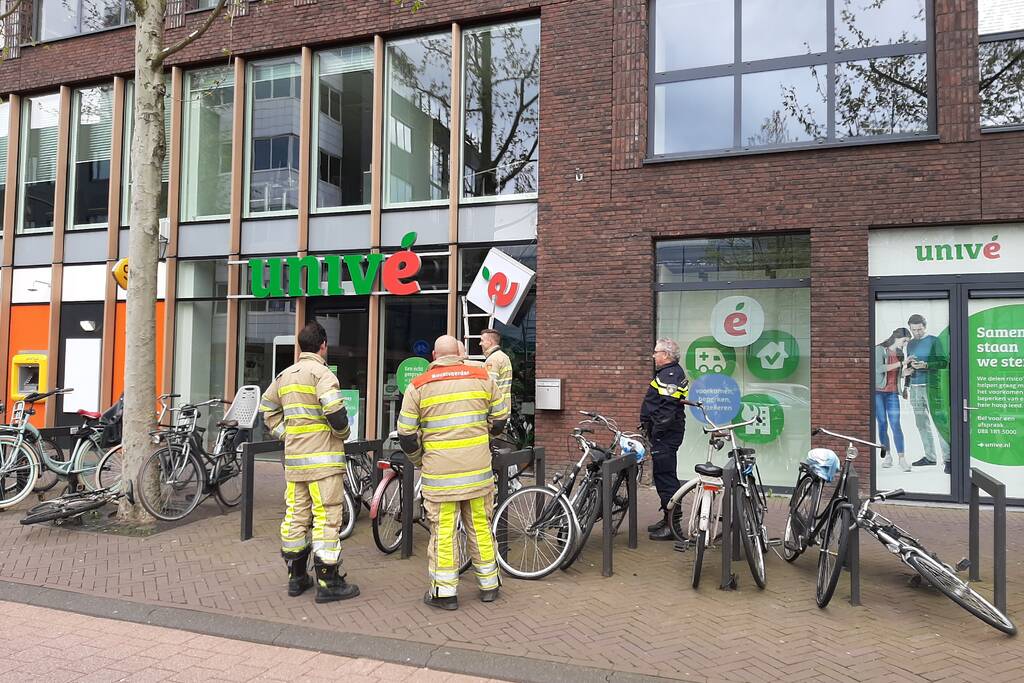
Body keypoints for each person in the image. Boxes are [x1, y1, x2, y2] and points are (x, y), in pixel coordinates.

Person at [397, 335, 508, 610]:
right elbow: (501, 418)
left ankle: (445, 593)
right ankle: (489, 585)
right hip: (478, 474)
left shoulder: (419, 385)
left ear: (434, 355)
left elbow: (407, 434)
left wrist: (419, 459)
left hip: (441, 478)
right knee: (480, 527)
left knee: (444, 532)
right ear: (460, 353)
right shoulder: (482, 377)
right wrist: (486, 438)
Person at [260, 321, 360, 603]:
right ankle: (328, 583)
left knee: (296, 515)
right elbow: (336, 414)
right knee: (327, 517)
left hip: (295, 463)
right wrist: (342, 434)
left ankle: (296, 577)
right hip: (323, 464)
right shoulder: (322, 374)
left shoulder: (284, 376)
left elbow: (267, 410)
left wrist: (286, 435)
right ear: (323, 345)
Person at [640, 338, 688, 541]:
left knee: (666, 478)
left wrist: (656, 433)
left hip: (665, 436)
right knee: (663, 476)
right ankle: (667, 517)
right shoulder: (668, 374)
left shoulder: (670, 375)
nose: (654, 355)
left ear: (666, 355)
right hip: (665, 435)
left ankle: (673, 525)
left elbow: (667, 411)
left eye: (656, 352)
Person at [905, 314, 951, 474]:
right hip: (915, 388)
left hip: (931, 387)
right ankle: (930, 457)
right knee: (921, 424)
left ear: (925, 327)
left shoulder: (934, 341)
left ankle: (949, 459)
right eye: (913, 330)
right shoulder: (910, 344)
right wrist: (906, 383)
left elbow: (944, 362)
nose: (917, 332)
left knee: (940, 423)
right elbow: (909, 364)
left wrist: (926, 364)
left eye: (919, 329)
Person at [874, 327, 912, 473]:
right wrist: (901, 364)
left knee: (896, 424)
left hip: (892, 393)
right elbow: (878, 368)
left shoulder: (900, 353)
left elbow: (896, 374)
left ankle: (902, 458)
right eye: (904, 341)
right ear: (896, 338)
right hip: (878, 392)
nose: (905, 344)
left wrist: (904, 373)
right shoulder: (879, 349)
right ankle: (887, 456)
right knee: (882, 423)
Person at [480, 329, 513, 411]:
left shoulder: (493, 360)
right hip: (504, 408)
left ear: (490, 342)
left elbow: (490, 386)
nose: (480, 343)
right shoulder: (504, 356)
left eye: (482, 340)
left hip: (496, 410)